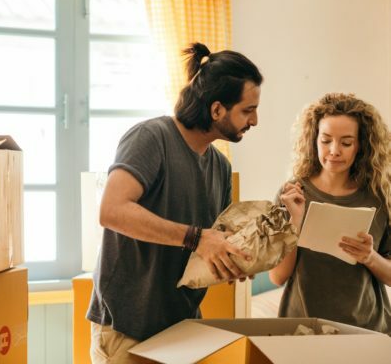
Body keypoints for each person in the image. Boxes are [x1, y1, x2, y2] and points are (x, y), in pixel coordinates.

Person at [86, 42, 264, 363]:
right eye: (247, 110)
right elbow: (112, 211)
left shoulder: (220, 168)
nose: (254, 121)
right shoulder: (151, 138)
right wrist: (197, 237)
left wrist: (234, 260)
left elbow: (209, 248)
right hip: (127, 329)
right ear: (217, 110)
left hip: (183, 329)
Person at [270, 93, 391, 335]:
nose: (334, 151)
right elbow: (277, 277)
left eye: (346, 143)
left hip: (367, 331)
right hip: (302, 329)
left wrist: (369, 257)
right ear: (314, 139)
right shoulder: (292, 194)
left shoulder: (380, 198)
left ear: (361, 145)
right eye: (326, 140)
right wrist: (294, 221)